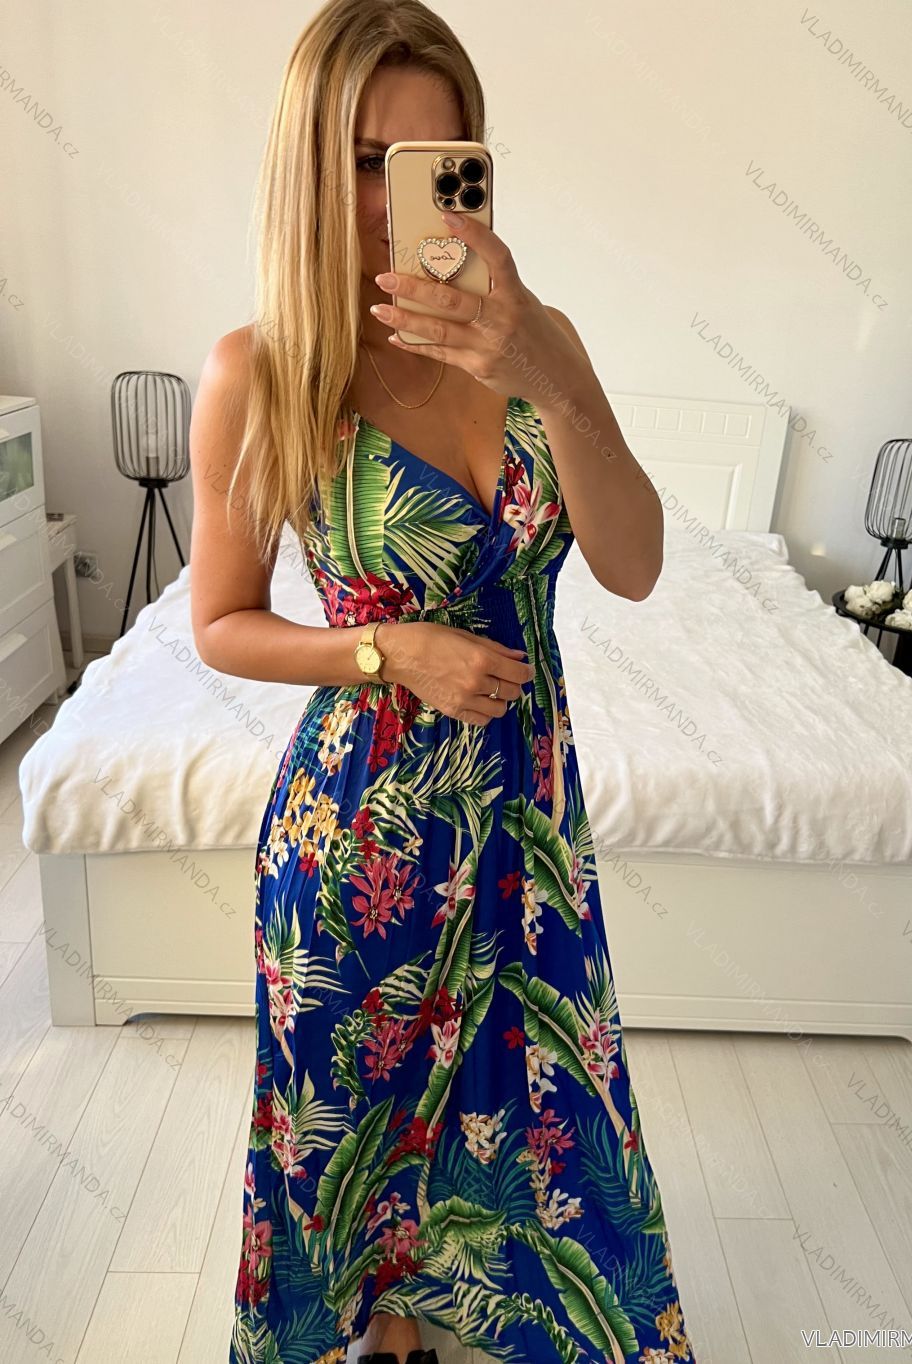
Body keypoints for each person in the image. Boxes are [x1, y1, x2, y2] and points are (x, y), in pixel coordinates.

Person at [189, 2, 696, 1362]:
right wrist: (386, 649)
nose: (398, 199)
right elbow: (222, 625)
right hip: (363, 834)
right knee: (347, 1124)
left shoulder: (544, 343)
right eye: (367, 160)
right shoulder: (262, 370)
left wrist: (555, 383)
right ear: (308, 166)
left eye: (436, 161)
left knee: (543, 1117)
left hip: (527, 831)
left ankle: (470, 1309)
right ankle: (388, 1327)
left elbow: (635, 565)